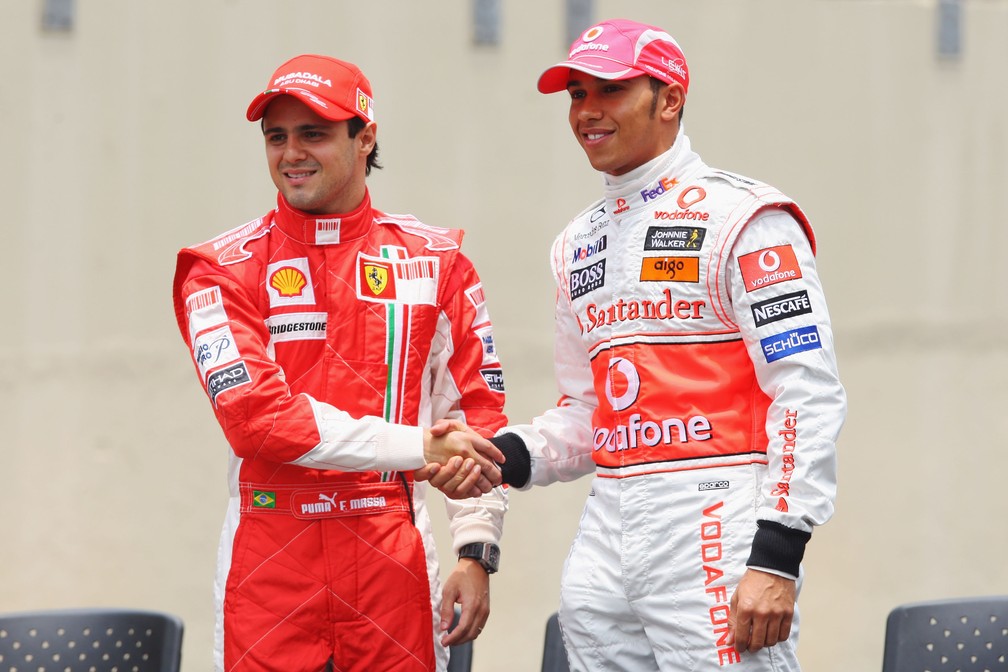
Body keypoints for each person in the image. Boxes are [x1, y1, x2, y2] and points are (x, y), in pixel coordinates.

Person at [476, 17, 846, 671]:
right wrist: (504, 455)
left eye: (610, 90)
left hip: (717, 519)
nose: (587, 111)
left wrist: (777, 554)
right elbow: (590, 413)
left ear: (670, 99)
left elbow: (806, 391)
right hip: (609, 527)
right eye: (577, 94)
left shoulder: (745, 218)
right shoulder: (576, 243)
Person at [171, 53, 509, 672]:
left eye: (313, 133)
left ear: (365, 137)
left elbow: (475, 416)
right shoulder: (219, 269)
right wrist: (419, 447)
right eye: (276, 136)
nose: (291, 153)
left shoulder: (437, 261)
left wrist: (475, 548)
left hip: (391, 555)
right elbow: (257, 422)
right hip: (269, 558)